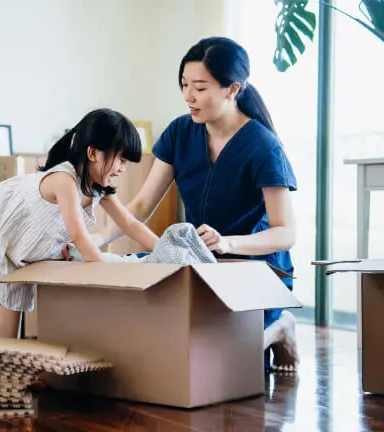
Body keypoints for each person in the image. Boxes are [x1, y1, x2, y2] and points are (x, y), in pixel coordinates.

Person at [89, 37, 299, 371]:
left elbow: (284, 233)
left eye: (200, 88)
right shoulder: (179, 133)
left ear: (233, 89)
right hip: (201, 263)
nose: (188, 96)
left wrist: (228, 242)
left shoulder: (263, 146)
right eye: (184, 85)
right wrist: (96, 240)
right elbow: (141, 205)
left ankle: (280, 325)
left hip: (256, 271)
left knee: (221, 366)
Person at [0, 108, 160, 339]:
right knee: (7, 298)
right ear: (93, 153)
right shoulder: (64, 180)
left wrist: (162, 247)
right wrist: (102, 270)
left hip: (21, 244)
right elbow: (78, 235)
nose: (122, 169)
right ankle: (0, 354)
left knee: (4, 295)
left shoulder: (99, 189)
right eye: (121, 160)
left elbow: (129, 223)